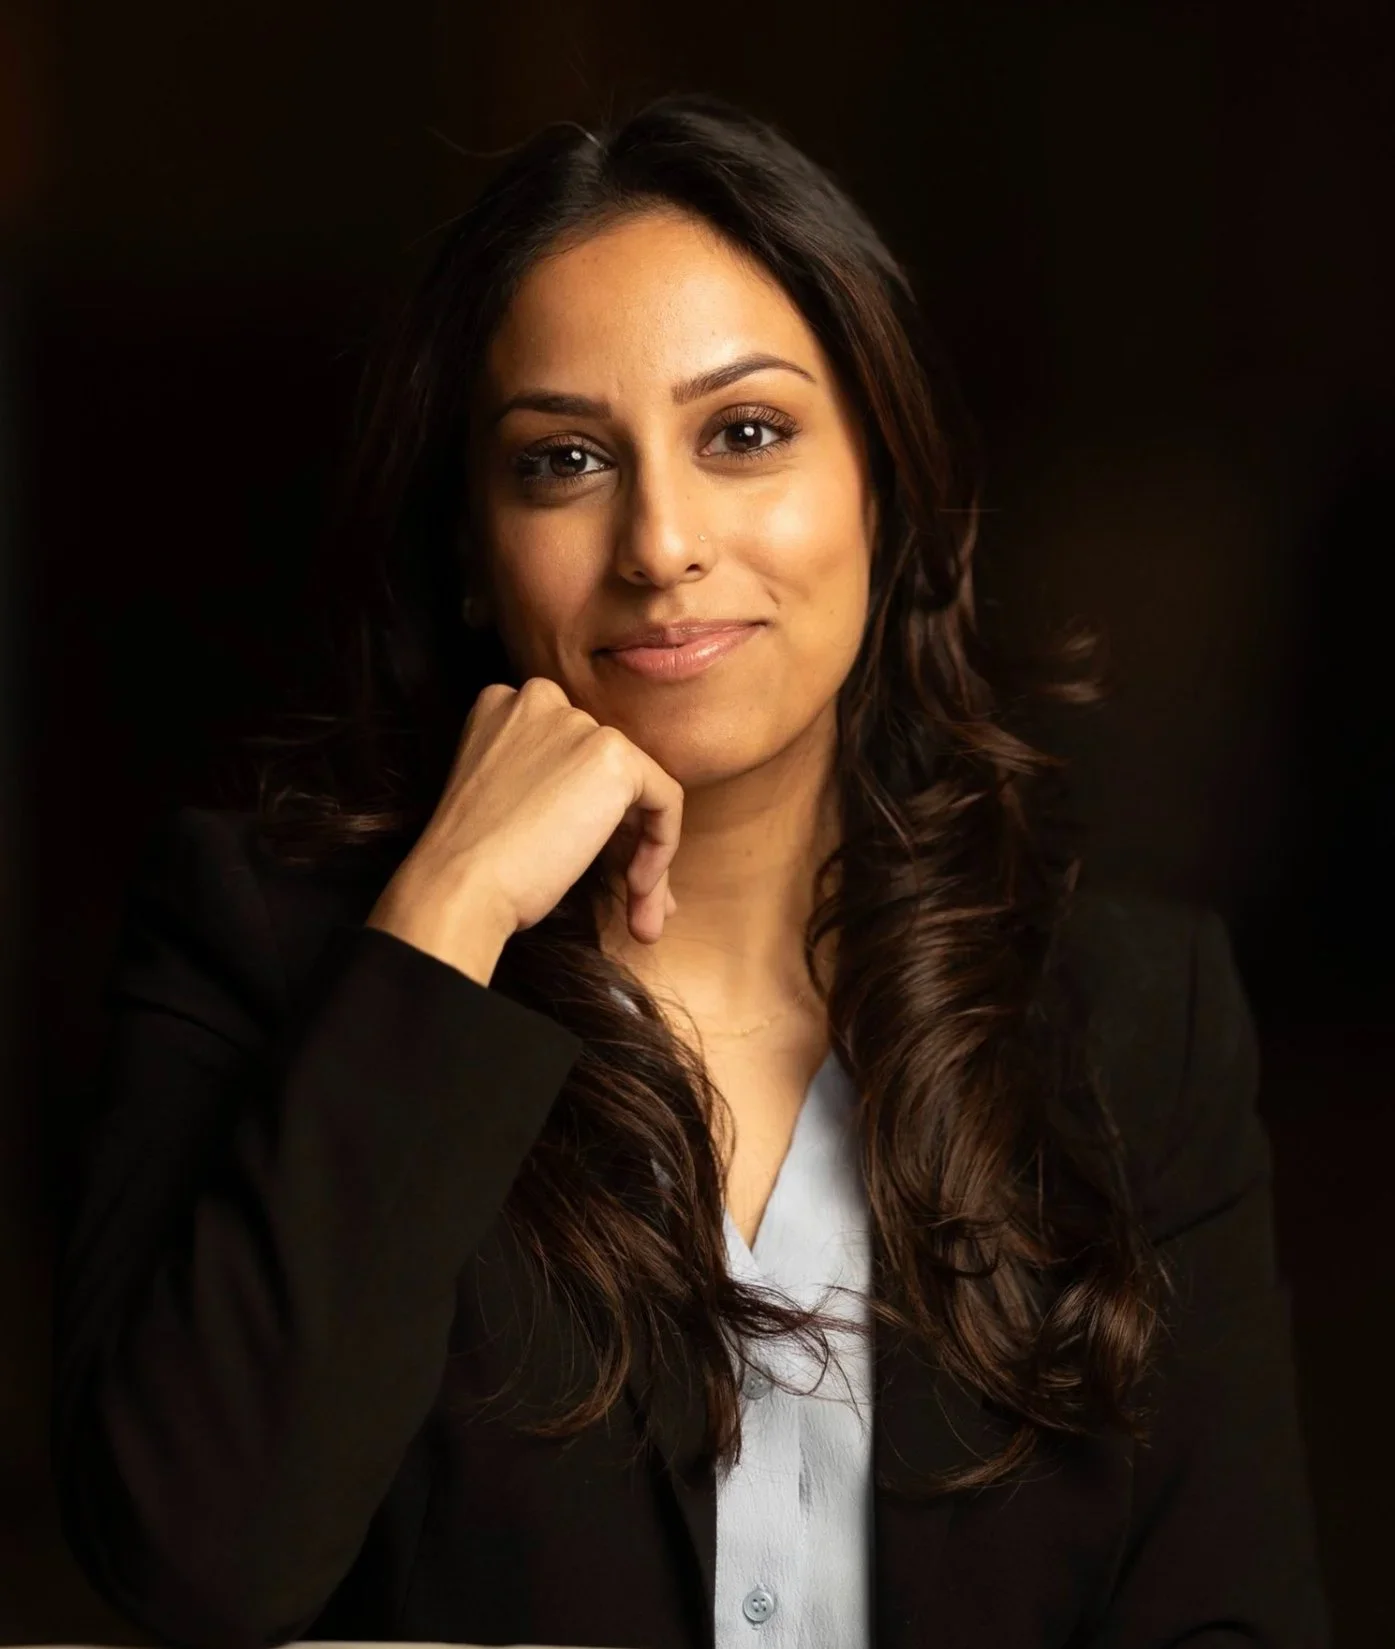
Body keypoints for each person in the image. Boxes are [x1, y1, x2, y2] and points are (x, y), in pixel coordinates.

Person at [50, 92, 1329, 1649]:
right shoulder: (267, 952)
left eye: (743, 433)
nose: (659, 540)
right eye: (564, 460)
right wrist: (447, 911)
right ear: (471, 545)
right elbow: (196, 1572)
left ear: (885, 484)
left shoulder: (1140, 1018)